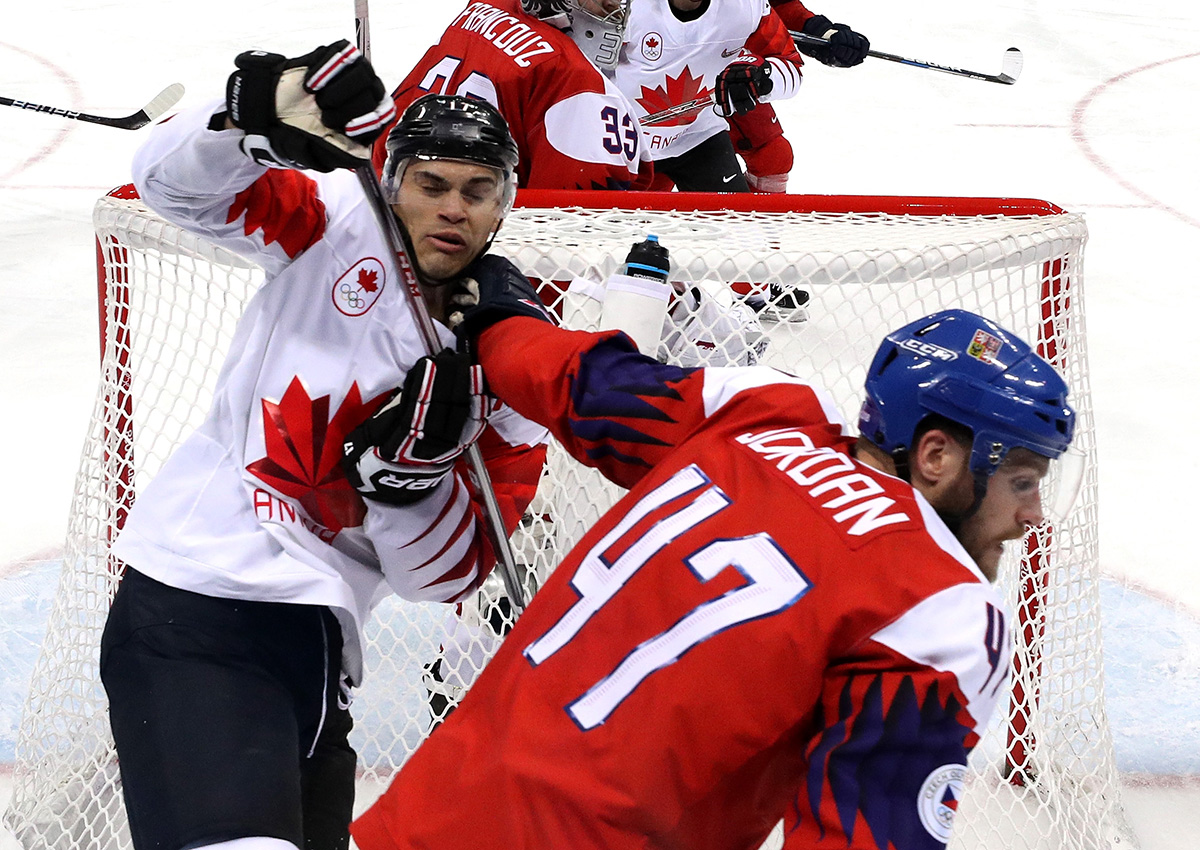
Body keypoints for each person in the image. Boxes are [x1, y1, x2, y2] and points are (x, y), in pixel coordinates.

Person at [350, 282, 1077, 849]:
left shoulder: (763, 410)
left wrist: (498, 316)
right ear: (938, 456)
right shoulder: (938, 608)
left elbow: (582, 385)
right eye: (1021, 480)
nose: (1032, 514)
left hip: (430, 816)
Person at [99, 41, 550, 850]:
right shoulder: (337, 224)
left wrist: (406, 484)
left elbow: (444, 576)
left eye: (480, 191)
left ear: (505, 204)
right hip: (200, 609)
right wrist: (249, 110)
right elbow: (170, 186)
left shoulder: (507, 359)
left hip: (321, 658)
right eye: (432, 185)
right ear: (392, 183)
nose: (456, 208)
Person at [370, 0, 651, 190]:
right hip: (470, 236)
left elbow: (399, 109)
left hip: (394, 196)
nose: (615, 6)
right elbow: (575, 231)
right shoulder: (577, 84)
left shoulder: (484, 6)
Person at [616, 0, 804, 191]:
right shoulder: (622, 7)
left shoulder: (747, 6)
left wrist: (762, 78)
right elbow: (586, 68)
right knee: (606, 218)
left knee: (735, 216)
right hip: (621, 143)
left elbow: (791, 66)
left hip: (699, 137)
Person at [728, 0, 870, 192]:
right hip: (676, 82)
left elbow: (777, 6)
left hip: (730, 74)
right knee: (674, 158)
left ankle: (759, 219)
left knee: (772, 157)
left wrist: (822, 34)